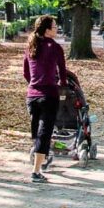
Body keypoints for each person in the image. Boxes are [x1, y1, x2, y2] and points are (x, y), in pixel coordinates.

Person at [23, 15, 70, 183]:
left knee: (37, 133)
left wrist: (34, 85)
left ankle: (40, 158)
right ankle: (36, 171)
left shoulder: (30, 46)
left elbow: (26, 73)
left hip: (32, 96)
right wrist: (61, 86)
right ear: (47, 29)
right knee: (44, 134)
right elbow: (63, 74)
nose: (57, 28)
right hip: (49, 96)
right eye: (55, 26)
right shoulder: (55, 47)